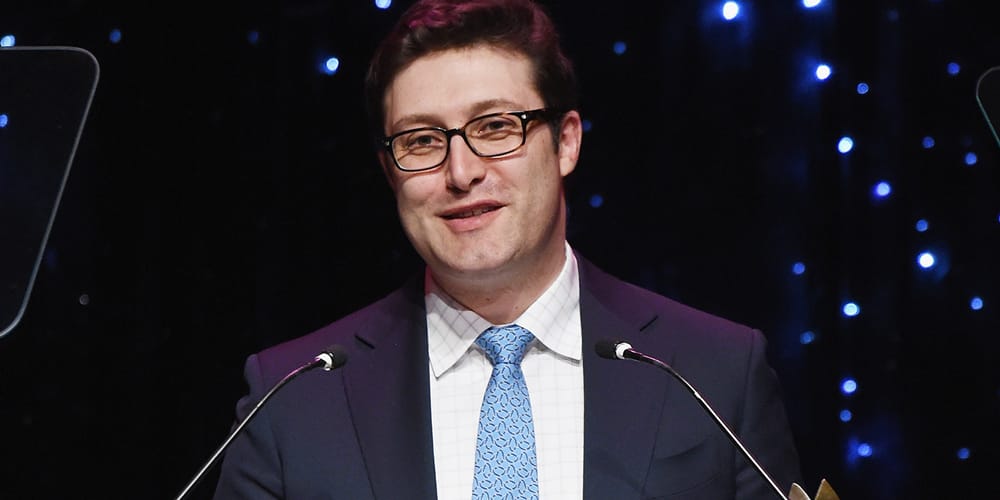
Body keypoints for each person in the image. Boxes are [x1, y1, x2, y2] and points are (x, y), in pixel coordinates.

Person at [213, 0, 802, 498]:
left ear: (566, 142)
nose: (461, 172)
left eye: (495, 127)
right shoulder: (292, 396)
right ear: (390, 172)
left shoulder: (715, 371)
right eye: (422, 141)